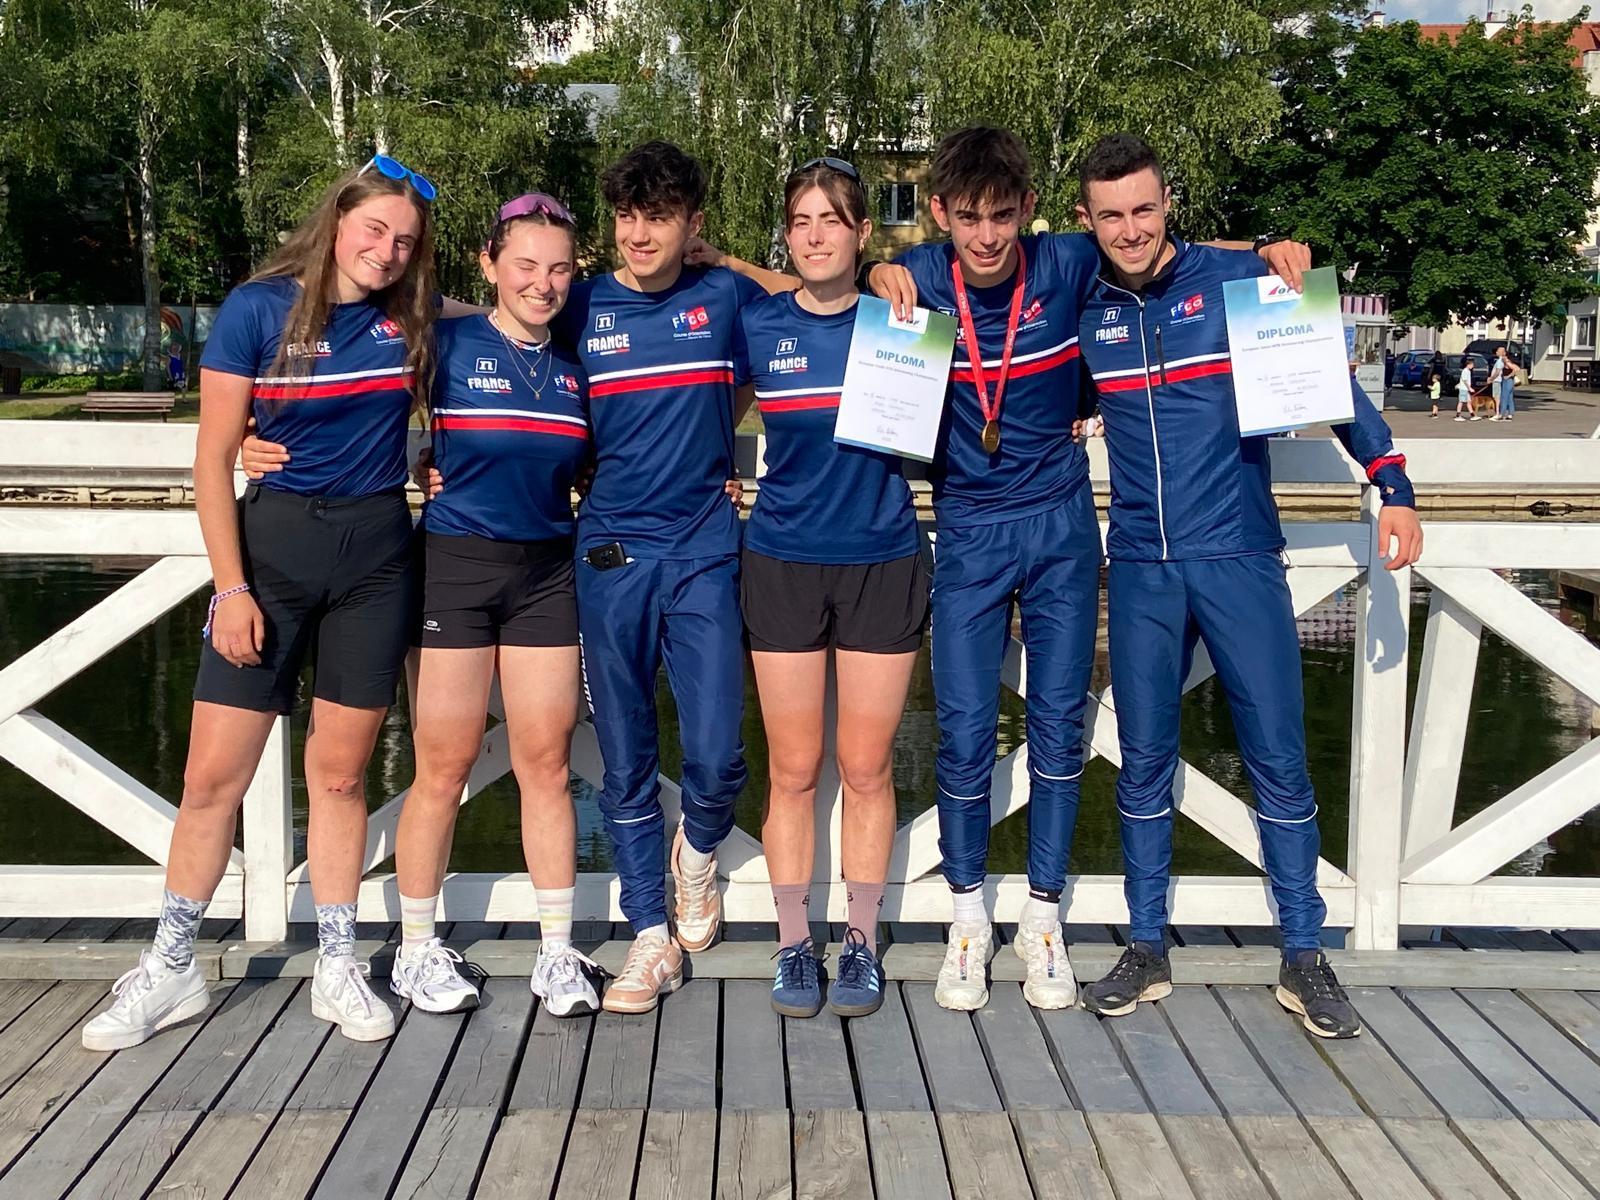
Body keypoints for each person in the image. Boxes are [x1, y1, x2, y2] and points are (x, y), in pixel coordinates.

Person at [81, 155, 441, 1051]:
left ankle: (337, 963)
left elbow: (513, 316)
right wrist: (232, 586)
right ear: (338, 219)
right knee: (211, 780)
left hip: (375, 561)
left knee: (342, 777)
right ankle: (171, 966)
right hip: (270, 560)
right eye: (375, 229)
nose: (387, 251)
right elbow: (210, 460)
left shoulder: (415, 315)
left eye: (405, 241)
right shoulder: (256, 309)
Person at [1073, 133, 1424, 1039]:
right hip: (1142, 565)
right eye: (1111, 215)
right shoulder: (1088, 306)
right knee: (1142, 760)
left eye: (1144, 209)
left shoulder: (1239, 283)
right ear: (1087, 220)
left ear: (1169, 204)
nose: (1130, 229)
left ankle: (1304, 954)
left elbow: (1330, 389)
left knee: (1278, 756)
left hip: (1238, 554)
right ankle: (1146, 945)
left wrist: (1391, 482)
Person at [552, 143, 769, 1012]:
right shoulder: (581, 305)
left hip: (705, 545)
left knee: (717, 753)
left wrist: (732, 261)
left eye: (660, 218)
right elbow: (487, 332)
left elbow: (819, 300)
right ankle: (649, 935)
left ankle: (698, 853)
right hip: (610, 552)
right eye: (626, 217)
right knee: (626, 753)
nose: (639, 234)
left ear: (693, 225)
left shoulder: (725, 297)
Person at [384, 194, 599, 1017]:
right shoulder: (447, 342)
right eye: (526, 265)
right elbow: (347, 391)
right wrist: (256, 437)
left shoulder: (576, 364)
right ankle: (415, 950)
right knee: (443, 767)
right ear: (490, 264)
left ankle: (557, 953)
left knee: (546, 765)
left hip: (546, 574)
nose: (543, 284)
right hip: (456, 568)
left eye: (559, 269)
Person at [734, 158, 925, 1019]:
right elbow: (699, 413)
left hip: (883, 558)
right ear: (787, 234)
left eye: (832, 220)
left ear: (862, 233)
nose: (815, 236)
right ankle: (791, 944)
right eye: (801, 221)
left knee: (868, 765)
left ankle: (858, 941)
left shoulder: (902, 319)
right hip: (782, 560)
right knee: (793, 768)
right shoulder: (757, 323)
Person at [1495, 346, 1517, 420]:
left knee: (1504, 397)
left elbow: (1515, 369)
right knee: (1510, 398)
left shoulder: (1506, 361)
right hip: (1509, 381)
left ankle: (1502, 414)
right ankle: (1510, 414)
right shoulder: (1507, 361)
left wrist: (1508, 376)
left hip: (1507, 381)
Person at [1456, 357, 1473, 422]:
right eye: (1472, 365)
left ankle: (1472, 415)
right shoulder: (1465, 371)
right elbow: (1465, 380)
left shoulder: (1468, 371)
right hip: (1463, 389)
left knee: (1468, 401)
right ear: (1468, 365)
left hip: (1466, 389)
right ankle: (1458, 415)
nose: (1473, 366)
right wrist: (1470, 388)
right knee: (1461, 401)